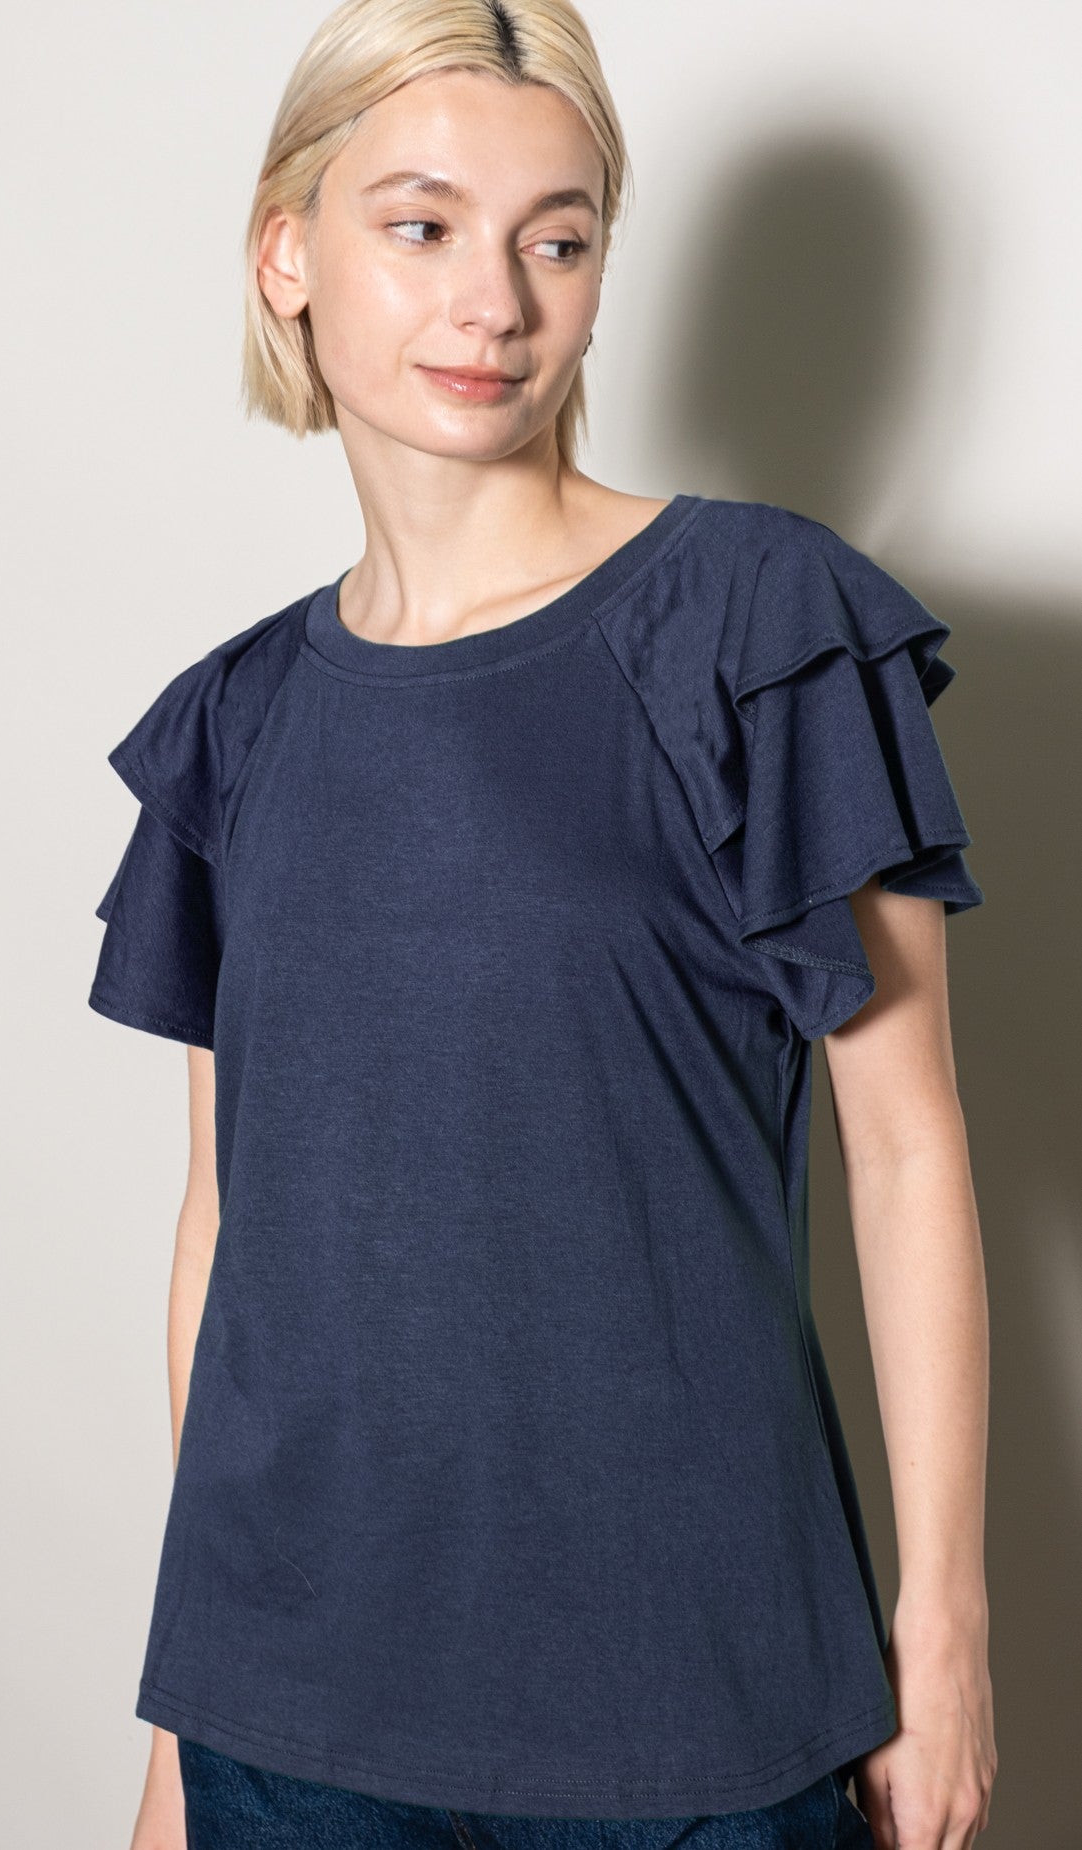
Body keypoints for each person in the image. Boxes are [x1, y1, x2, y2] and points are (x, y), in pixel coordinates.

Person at [88, 2, 998, 1846]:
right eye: (420, 226)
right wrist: (192, 1713)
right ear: (287, 255)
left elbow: (906, 1150)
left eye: (556, 240)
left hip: (696, 1700)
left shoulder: (760, 623)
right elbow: (225, 1232)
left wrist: (945, 1627)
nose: (492, 303)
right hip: (289, 1717)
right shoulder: (232, 725)